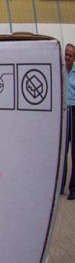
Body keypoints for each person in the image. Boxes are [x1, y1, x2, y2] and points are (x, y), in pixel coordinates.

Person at [62, 44, 75, 200]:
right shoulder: (61, 71)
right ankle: (60, 186)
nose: (67, 58)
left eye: (70, 55)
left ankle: (73, 188)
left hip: (74, 110)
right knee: (62, 151)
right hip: (64, 112)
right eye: (66, 54)